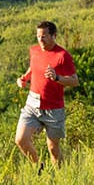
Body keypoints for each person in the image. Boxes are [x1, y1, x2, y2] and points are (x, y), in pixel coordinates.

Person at [14, 19, 78, 167]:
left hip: (53, 108)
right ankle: (38, 167)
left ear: (53, 35)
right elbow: (33, 68)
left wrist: (57, 77)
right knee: (20, 139)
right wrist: (24, 78)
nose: (40, 40)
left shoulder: (62, 55)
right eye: (38, 36)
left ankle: (59, 179)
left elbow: (74, 81)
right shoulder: (34, 51)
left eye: (44, 36)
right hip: (32, 103)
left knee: (53, 148)